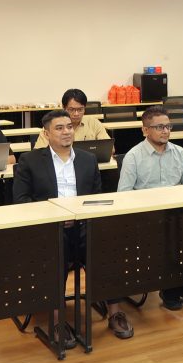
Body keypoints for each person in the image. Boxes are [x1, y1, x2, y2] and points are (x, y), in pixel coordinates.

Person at [14, 110, 130, 345]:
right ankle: (57, 320)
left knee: (108, 246)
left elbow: (96, 198)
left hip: (84, 225)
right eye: (59, 128)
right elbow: (21, 201)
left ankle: (115, 311)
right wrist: (56, 216)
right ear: (46, 134)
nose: (66, 131)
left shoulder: (88, 159)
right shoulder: (30, 161)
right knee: (56, 251)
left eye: (69, 127)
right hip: (50, 228)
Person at [118, 106, 183, 311]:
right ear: (145, 130)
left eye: (168, 126)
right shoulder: (133, 156)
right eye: (159, 127)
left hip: (177, 214)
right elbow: (124, 195)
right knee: (163, 234)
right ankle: (169, 286)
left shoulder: (180, 153)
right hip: (147, 217)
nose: (165, 131)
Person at [33, 89, 110, 149]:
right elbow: (38, 153)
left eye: (80, 109)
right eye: (71, 110)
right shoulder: (51, 126)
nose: (76, 114)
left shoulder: (93, 123)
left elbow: (110, 148)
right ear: (63, 108)